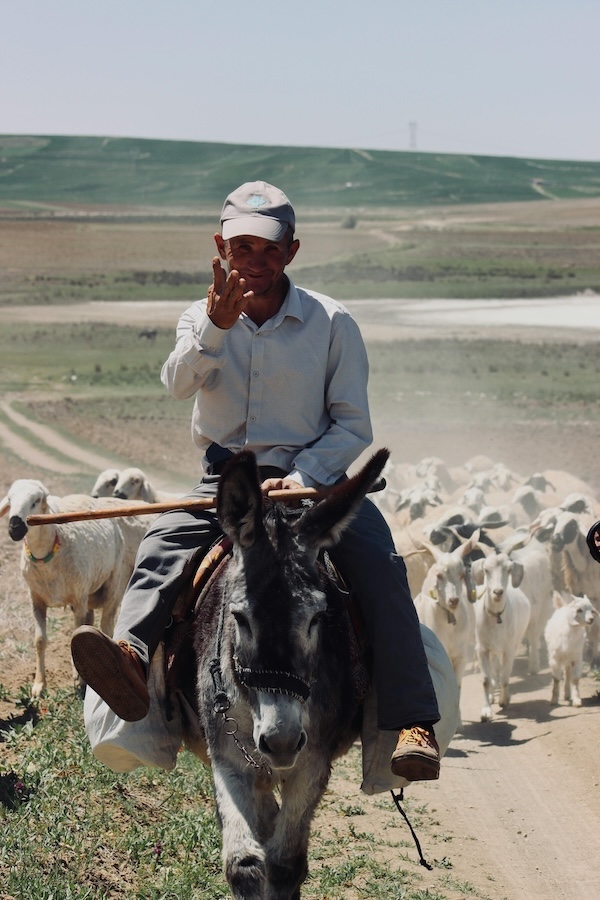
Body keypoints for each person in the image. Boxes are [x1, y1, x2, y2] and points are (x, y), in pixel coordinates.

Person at [71, 181, 441, 782]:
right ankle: (132, 665)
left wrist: (301, 477)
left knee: (379, 565)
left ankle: (412, 720)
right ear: (221, 247)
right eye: (243, 248)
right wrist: (215, 330)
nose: (256, 261)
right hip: (225, 482)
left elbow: (353, 425)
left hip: (313, 485)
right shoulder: (200, 316)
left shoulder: (332, 322)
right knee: (162, 548)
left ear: (291, 251)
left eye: (269, 249)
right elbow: (176, 385)